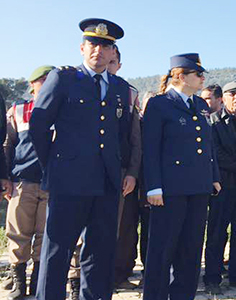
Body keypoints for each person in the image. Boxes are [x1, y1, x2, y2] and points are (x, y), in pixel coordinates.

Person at [29, 18, 132, 300]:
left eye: (106, 46)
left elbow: (122, 135)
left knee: (100, 251)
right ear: (82, 48)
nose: (98, 50)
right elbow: (39, 126)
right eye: (93, 44)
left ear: (113, 53)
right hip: (68, 180)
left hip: (106, 182)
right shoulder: (63, 79)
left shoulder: (121, 88)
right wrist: (54, 163)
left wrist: (125, 171)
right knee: (57, 250)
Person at [141, 53, 221, 300]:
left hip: (198, 186)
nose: (202, 78)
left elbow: (209, 145)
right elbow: (150, 149)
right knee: (162, 251)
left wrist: (213, 175)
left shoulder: (200, 105)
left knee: (191, 250)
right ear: (181, 76)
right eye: (198, 74)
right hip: (170, 189)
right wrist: (153, 186)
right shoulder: (160, 104)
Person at [3, 65, 54, 300]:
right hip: (22, 181)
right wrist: (5, 176)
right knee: (17, 234)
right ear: (32, 84)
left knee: (46, 235)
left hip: (52, 183)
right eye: (42, 79)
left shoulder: (62, 110)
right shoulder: (18, 109)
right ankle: (18, 282)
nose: (47, 83)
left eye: (50, 79)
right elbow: (8, 144)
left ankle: (37, 281)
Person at [203, 82, 236, 294]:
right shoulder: (214, 122)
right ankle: (212, 278)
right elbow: (214, 152)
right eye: (232, 94)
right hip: (223, 185)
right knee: (217, 233)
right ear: (223, 98)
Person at [108, 45, 143, 291]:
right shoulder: (79, 85)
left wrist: (132, 172)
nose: (108, 65)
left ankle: (119, 274)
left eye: (113, 62)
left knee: (124, 226)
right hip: (89, 171)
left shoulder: (129, 93)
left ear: (119, 65)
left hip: (121, 171)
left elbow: (135, 138)